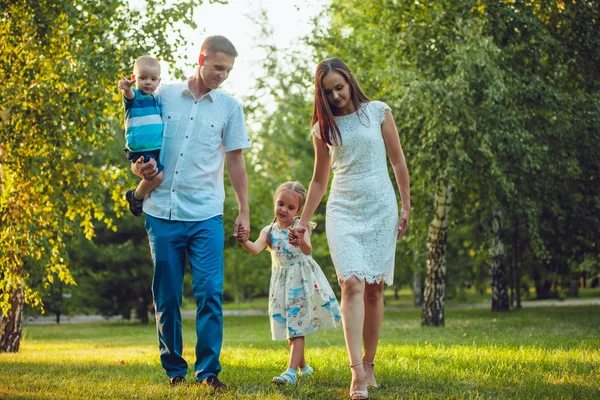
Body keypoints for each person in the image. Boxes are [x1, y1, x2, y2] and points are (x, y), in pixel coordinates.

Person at [131, 35, 252, 390]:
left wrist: (243, 210)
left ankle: (208, 372)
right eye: (217, 67)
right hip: (163, 211)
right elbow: (142, 136)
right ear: (201, 59)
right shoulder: (163, 96)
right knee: (167, 294)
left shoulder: (230, 108)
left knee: (210, 292)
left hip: (206, 214)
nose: (223, 75)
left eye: (228, 70)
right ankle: (174, 370)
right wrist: (140, 169)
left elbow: (235, 162)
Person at [289, 58, 411, 400]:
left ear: (350, 81)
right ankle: (356, 372)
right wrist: (302, 222)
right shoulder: (322, 128)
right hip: (343, 208)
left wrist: (406, 206)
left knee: (373, 289)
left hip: (380, 206)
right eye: (328, 93)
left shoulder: (378, 112)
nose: (336, 96)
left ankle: (370, 363)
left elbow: (398, 160)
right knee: (351, 284)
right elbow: (318, 180)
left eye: (339, 88)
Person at [237, 181, 342, 385]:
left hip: (301, 282)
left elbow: (308, 250)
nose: (284, 209)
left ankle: (291, 372)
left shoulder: (300, 227)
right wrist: (243, 241)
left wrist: (300, 239)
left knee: (296, 328)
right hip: (281, 285)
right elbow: (256, 248)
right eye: (281, 204)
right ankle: (304, 367)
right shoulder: (269, 230)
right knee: (291, 329)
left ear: (299, 210)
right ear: (275, 202)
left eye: (291, 207)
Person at [118, 56, 165, 216]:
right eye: (142, 78)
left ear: (159, 82)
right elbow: (129, 95)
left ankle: (139, 196)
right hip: (140, 148)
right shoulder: (135, 97)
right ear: (134, 78)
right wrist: (126, 88)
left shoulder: (155, 99)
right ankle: (135, 196)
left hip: (154, 147)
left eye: (152, 79)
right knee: (157, 177)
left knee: (157, 176)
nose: (148, 82)